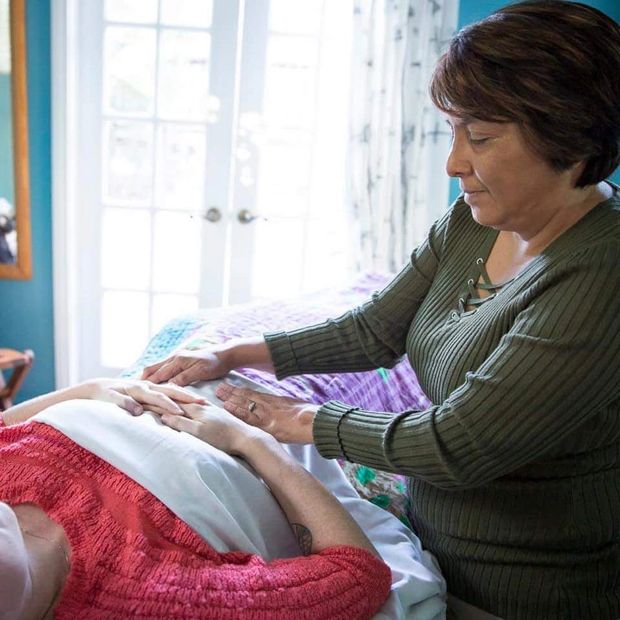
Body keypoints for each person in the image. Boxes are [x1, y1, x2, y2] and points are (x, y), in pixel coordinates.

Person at [142, 1, 620, 617]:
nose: (454, 164)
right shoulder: (475, 222)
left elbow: (457, 445)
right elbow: (374, 329)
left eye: (479, 137)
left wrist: (292, 420)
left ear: (569, 139)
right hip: (430, 549)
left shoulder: (601, 274)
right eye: (452, 132)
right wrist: (229, 354)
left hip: (524, 590)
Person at [0, 378, 391, 619]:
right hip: (281, 418)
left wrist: (89, 389)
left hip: (156, 384)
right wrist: (252, 440)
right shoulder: (150, 599)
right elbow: (357, 574)